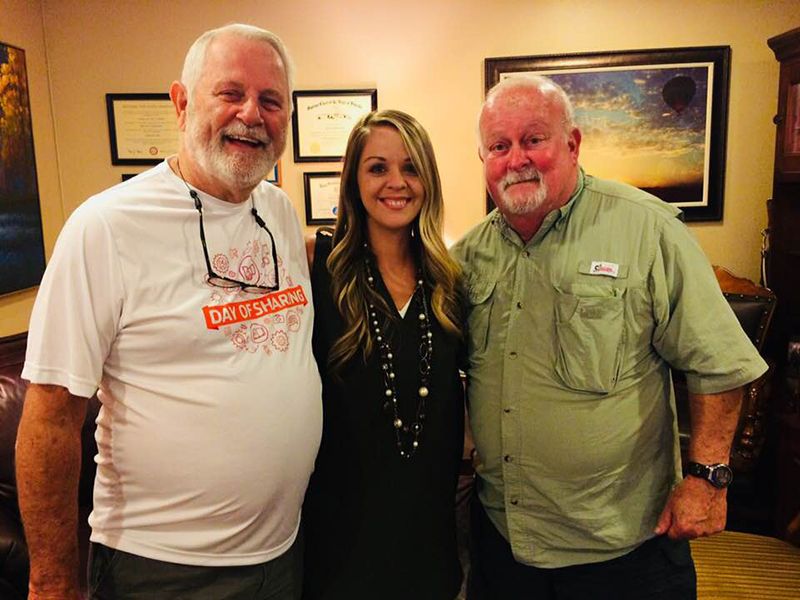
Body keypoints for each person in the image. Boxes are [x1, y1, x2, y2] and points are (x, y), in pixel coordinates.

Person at [16, 24, 321, 600]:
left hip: (282, 555)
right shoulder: (105, 227)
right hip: (160, 569)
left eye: (271, 100)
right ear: (181, 104)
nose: (251, 114)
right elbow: (50, 416)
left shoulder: (278, 212)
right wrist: (51, 583)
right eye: (230, 93)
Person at [451, 75, 768, 599]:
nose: (516, 159)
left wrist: (708, 477)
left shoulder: (647, 229)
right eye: (499, 147)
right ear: (483, 159)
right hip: (506, 545)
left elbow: (719, 362)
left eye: (534, 139)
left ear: (573, 144)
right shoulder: (466, 257)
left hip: (623, 551)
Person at [301, 109, 465, 599]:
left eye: (411, 168)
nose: (397, 182)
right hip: (342, 541)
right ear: (354, 181)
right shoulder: (316, 265)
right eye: (378, 168)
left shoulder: (449, 280)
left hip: (429, 539)